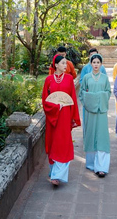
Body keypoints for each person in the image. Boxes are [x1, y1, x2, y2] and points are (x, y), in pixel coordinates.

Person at [42, 54, 81, 186]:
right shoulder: (48, 80)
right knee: (52, 142)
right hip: (52, 116)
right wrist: (56, 107)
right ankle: (53, 171)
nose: (66, 65)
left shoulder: (69, 79)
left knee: (63, 143)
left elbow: (73, 99)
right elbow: (45, 100)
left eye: (66, 63)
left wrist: (73, 117)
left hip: (65, 115)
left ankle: (58, 175)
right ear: (56, 65)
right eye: (63, 63)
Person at [80, 54, 111, 177]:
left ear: (101, 64)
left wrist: (98, 97)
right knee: (91, 134)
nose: (96, 64)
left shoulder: (104, 78)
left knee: (102, 136)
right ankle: (91, 164)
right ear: (91, 64)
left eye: (98, 62)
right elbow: (82, 93)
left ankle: (102, 166)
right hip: (90, 112)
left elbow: (108, 92)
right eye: (94, 62)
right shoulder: (87, 77)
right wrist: (90, 102)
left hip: (101, 111)